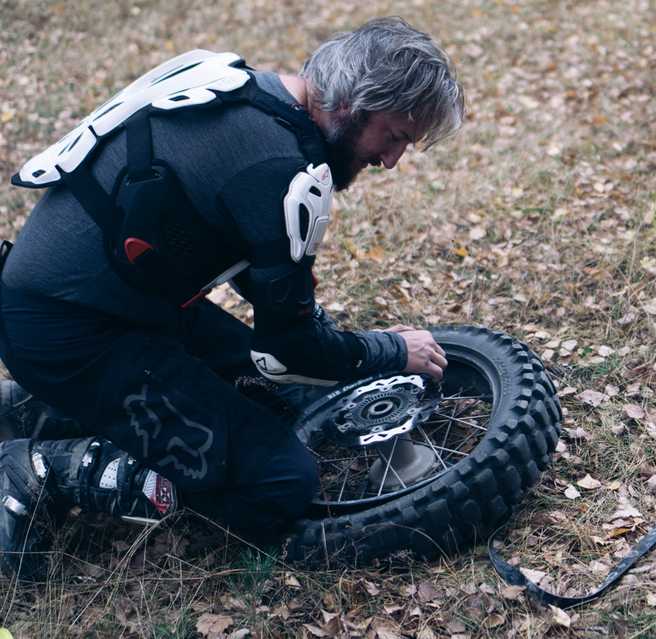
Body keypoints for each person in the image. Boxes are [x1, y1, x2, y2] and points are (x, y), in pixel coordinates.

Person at [0, 17, 464, 578]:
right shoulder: (279, 166)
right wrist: (388, 351)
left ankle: (36, 409)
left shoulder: (247, 90)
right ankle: (34, 467)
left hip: (112, 305)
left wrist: (328, 339)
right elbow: (289, 349)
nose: (390, 161)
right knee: (278, 483)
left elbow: (246, 264)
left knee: (275, 397)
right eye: (393, 137)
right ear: (352, 104)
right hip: (73, 333)